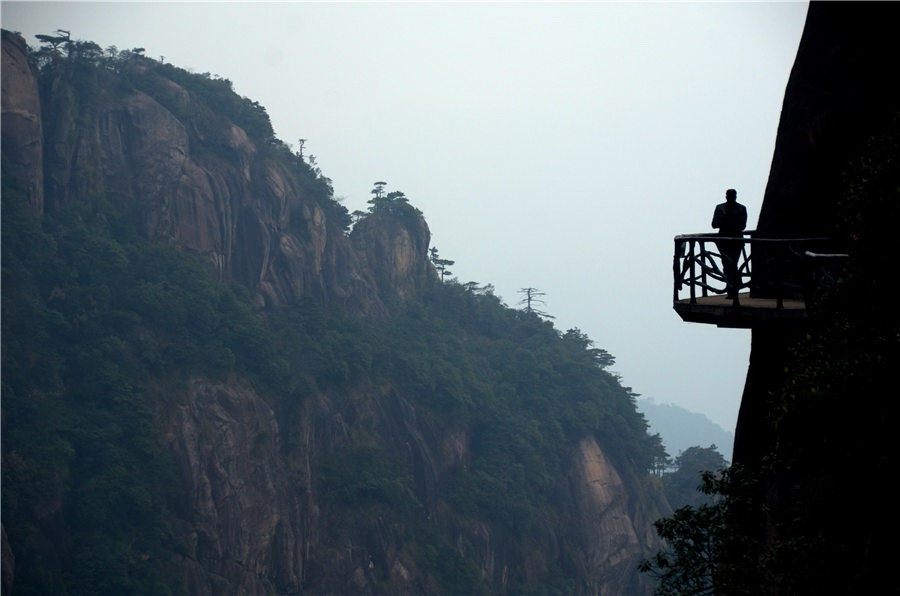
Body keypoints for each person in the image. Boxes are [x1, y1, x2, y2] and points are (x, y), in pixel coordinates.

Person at [711, 188, 747, 298]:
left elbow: (742, 226)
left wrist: (728, 220)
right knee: (727, 265)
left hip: (736, 240)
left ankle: (733, 289)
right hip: (724, 241)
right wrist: (725, 219)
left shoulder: (741, 209)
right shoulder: (720, 208)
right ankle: (732, 289)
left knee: (732, 264)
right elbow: (714, 224)